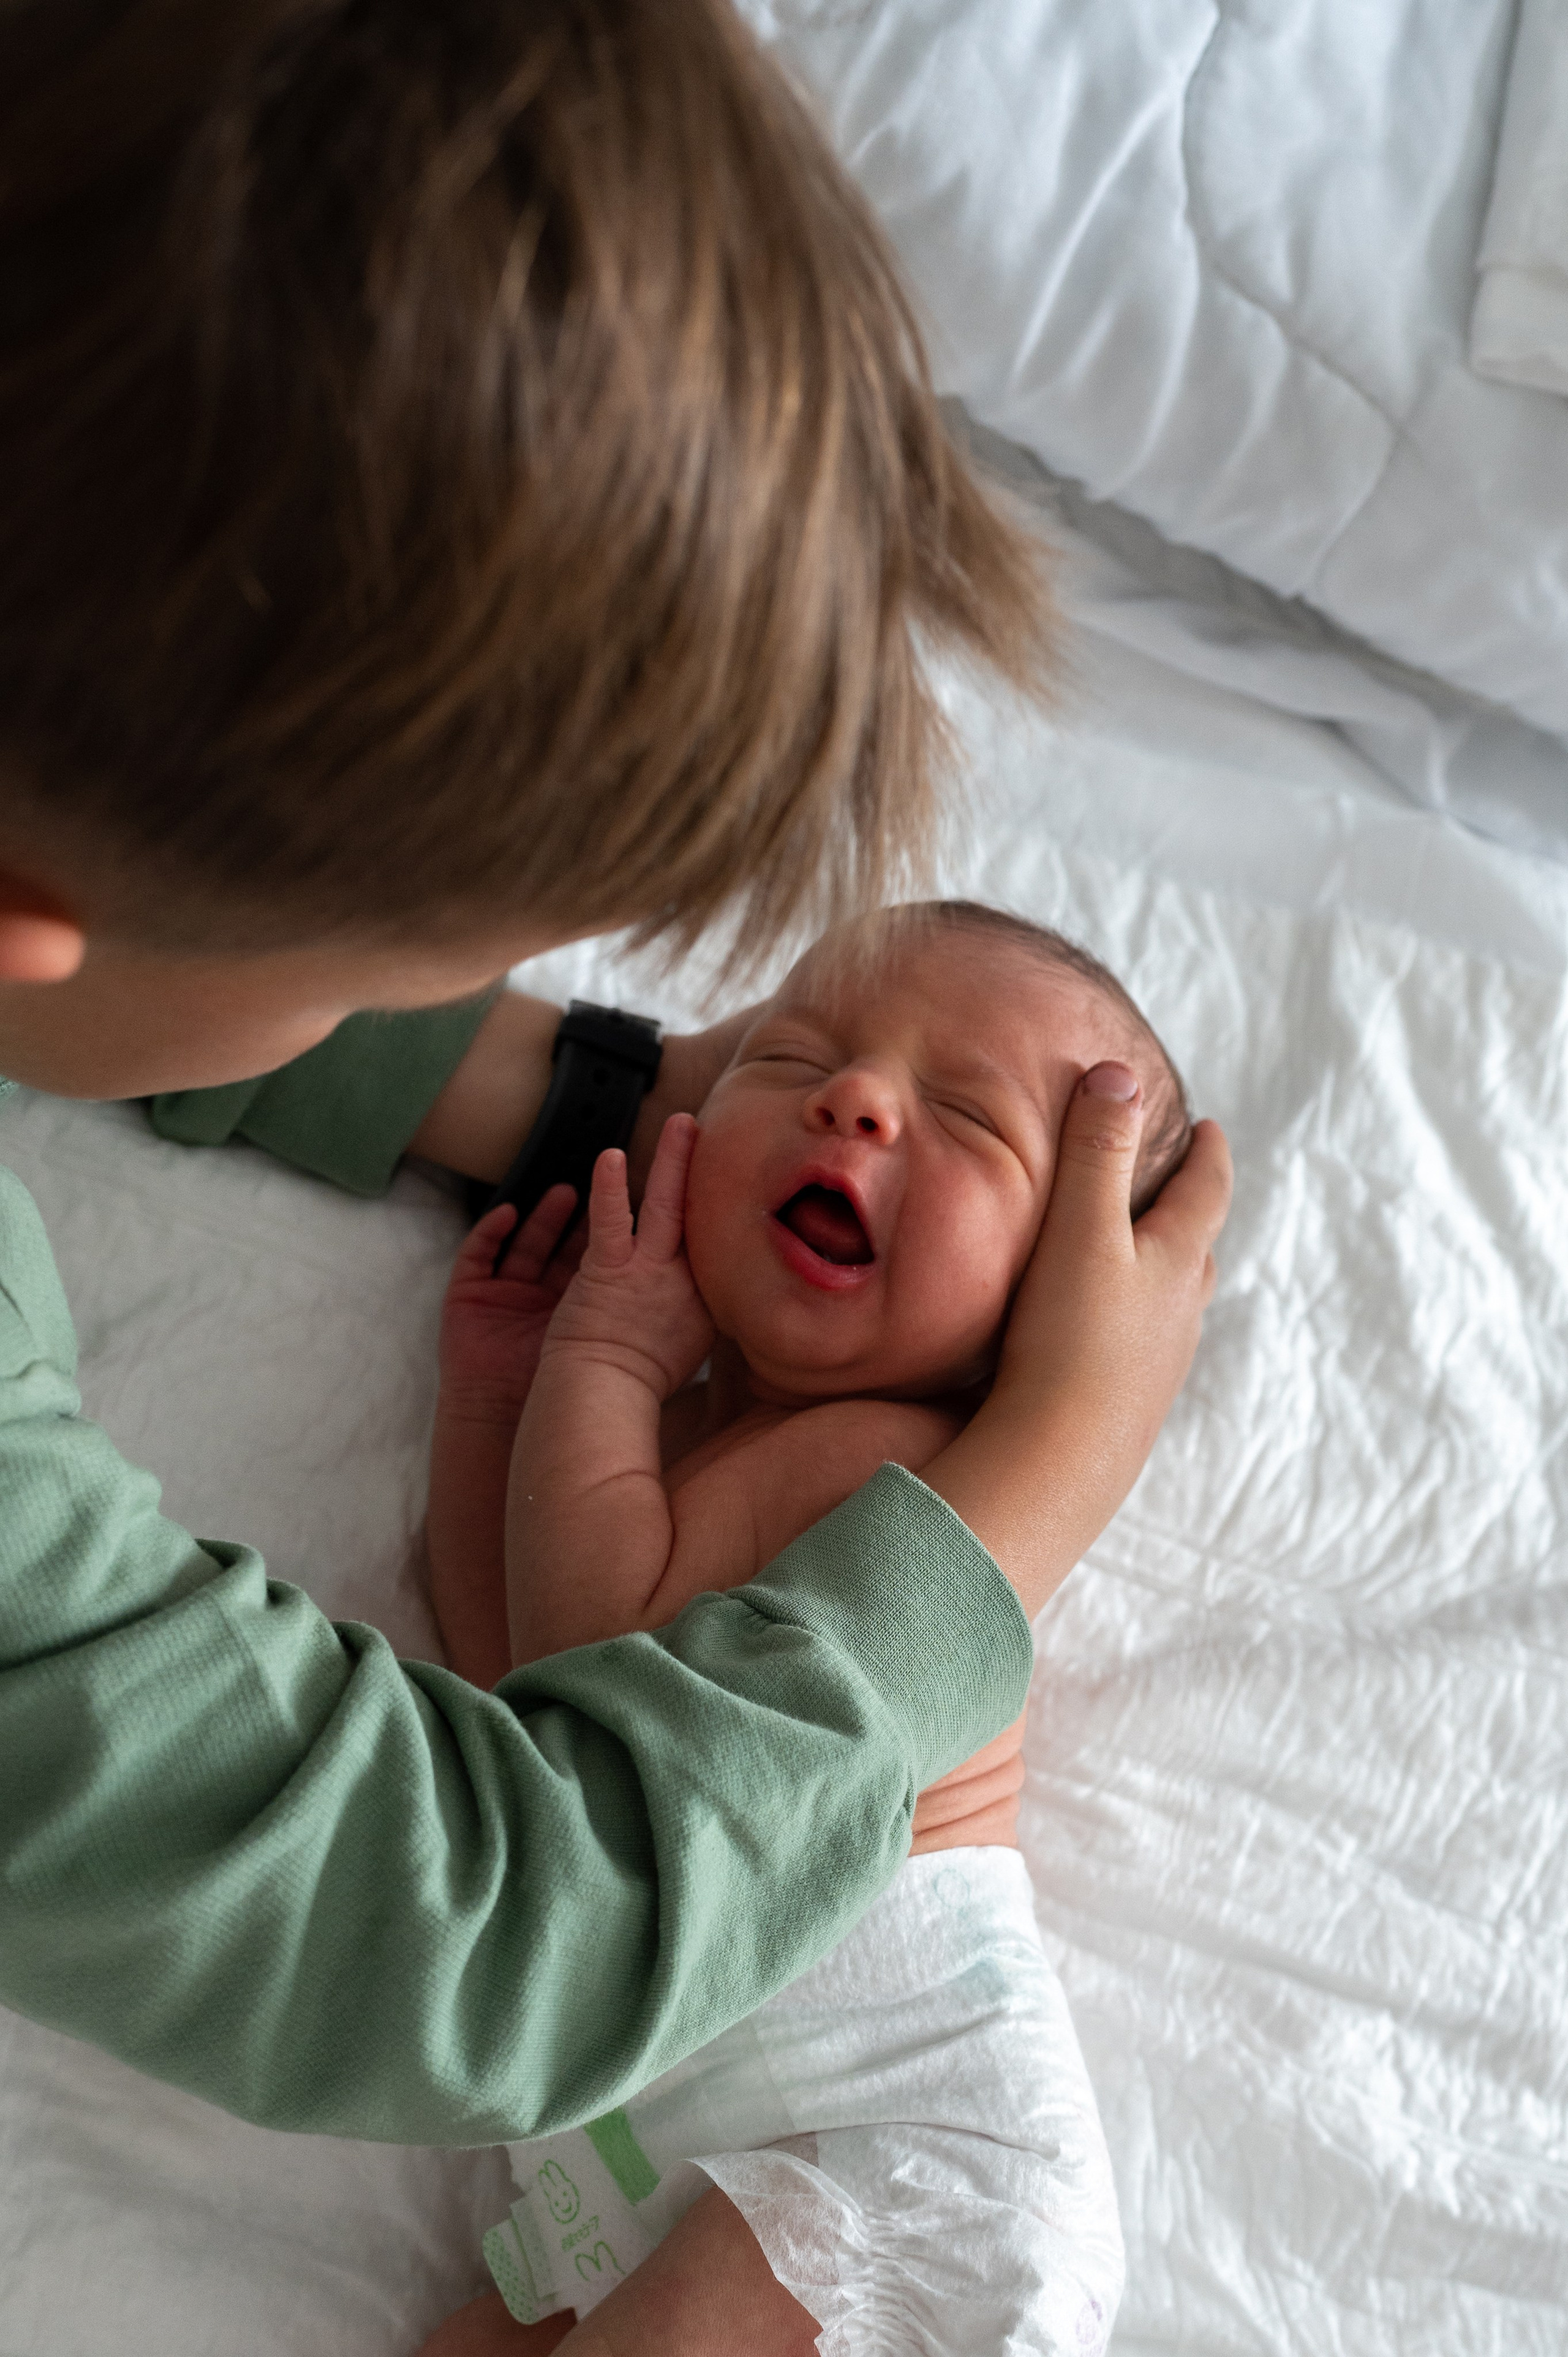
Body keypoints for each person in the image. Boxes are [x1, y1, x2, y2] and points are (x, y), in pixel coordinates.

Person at [0, 0, 1231, 2174]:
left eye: (956, 1119)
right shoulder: (925, 1472)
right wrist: (1030, 1484)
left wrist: (613, 1108)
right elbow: (475, 1917)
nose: (843, 1109)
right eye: (425, 963)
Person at [417, 903, 1194, 2357]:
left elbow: (593, 1666)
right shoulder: (666, 1459)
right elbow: (516, 1696)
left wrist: (596, 1358)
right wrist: (492, 1403)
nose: (855, 1099)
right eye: (789, 1057)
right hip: (689, 2150)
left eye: (966, 1115)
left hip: (897, 2160)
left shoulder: (888, 1475)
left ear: (1052, 1303)